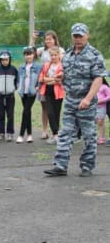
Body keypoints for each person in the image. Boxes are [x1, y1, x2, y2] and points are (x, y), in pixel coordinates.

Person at [44, 23, 107, 177]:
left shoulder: (94, 55)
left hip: (86, 102)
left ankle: (87, 166)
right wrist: (61, 77)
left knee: (88, 135)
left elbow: (98, 79)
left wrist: (88, 99)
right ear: (72, 36)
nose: (78, 39)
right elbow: (67, 73)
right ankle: (60, 165)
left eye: (81, 35)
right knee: (65, 133)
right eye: (75, 36)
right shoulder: (68, 54)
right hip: (70, 100)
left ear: (87, 35)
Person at [31, 30, 65, 139]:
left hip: (57, 83)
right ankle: (45, 130)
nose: (48, 41)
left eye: (50, 39)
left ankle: (55, 131)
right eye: (46, 39)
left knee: (56, 109)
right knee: (45, 107)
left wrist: (56, 78)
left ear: (55, 39)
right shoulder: (42, 50)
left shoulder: (60, 50)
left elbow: (63, 64)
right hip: (44, 81)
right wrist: (33, 39)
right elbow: (30, 52)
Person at [38, 46, 65, 145]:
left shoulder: (62, 66)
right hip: (47, 91)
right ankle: (55, 134)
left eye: (55, 55)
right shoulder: (46, 65)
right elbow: (41, 78)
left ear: (59, 55)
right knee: (49, 112)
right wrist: (51, 80)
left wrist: (50, 79)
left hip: (58, 92)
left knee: (56, 113)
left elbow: (59, 80)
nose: (53, 57)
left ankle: (56, 134)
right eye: (51, 55)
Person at [0, 50, 19, 141]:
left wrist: (14, 87)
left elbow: (18, 80)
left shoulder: (13, 69)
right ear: (0, 60)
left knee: (10, 115)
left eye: (6, 59)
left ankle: (10, 133)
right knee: (1, 115)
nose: (4, 61)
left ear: (9, 59)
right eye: (2, 60)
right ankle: (1, 133)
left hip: (10, 96)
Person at [16, 46, 42, 143]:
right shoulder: (21, 67)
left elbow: (41, 78)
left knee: (25, 111)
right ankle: (30, 135)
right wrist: (19, 87)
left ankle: (21, 135)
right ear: (24, 56)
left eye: (30, 54)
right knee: (28, 113)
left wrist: (38, 86)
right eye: (26, 55)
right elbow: (19, 79)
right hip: (23, 92)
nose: (28, 56)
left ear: (33, 55)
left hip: (32, 92)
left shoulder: (38, 66)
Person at [96, 78, 110, 145]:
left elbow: (109, 96)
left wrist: (101, 100)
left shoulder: (104, 87)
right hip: (93, 107)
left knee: (100, 122)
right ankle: (95, 137)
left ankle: (101, 138)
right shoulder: (92, 86)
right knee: (94, 122)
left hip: (101, 107)